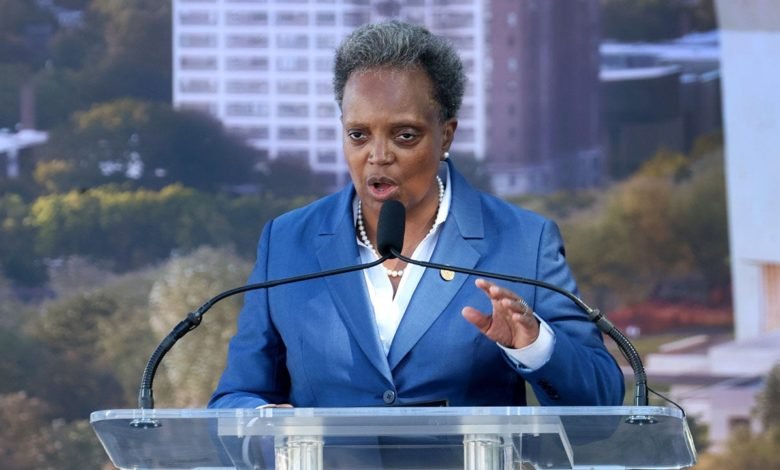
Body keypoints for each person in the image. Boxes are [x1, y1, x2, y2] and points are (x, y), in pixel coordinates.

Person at [209, 21, 624, 410]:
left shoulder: (524, 242)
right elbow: (236, 396)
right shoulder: (286, 241)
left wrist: (534, 346)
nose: (378, 156)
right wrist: (267, 423)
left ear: (446, 136)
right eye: (358, 135)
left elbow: (601, 399)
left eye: (404, 135)